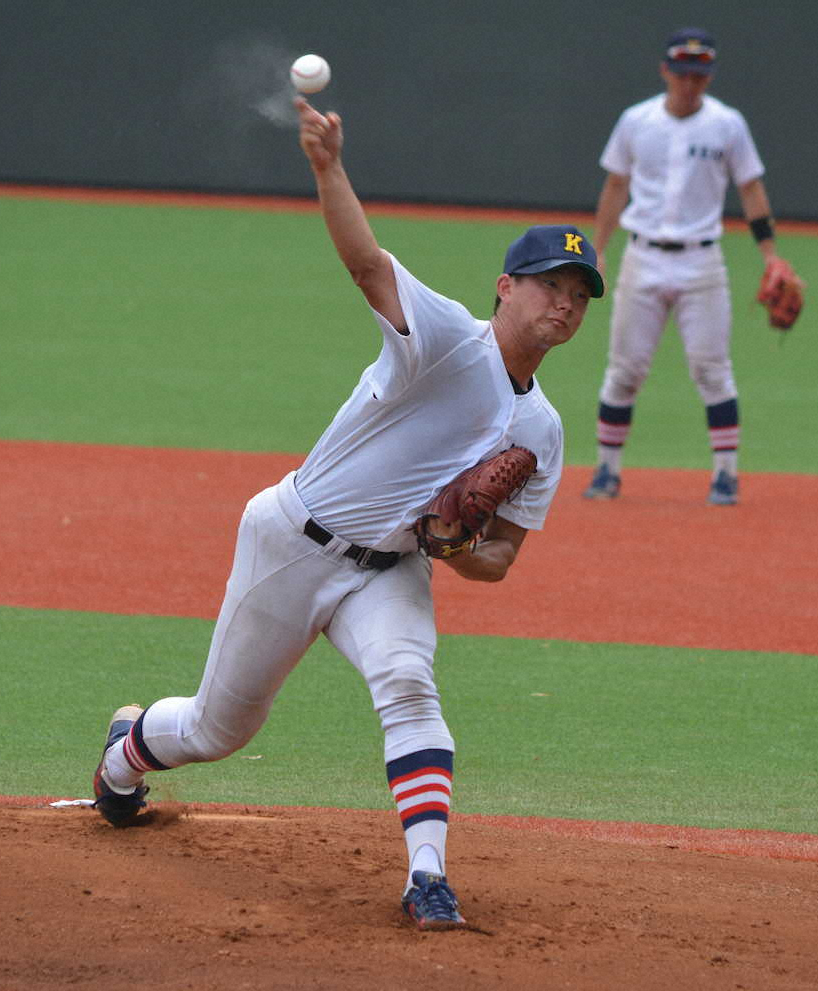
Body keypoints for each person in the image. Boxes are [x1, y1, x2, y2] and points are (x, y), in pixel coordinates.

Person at [90, 95, 603, 930]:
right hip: (294, 540)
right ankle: (126, 754)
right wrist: (328, 168)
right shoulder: (445, 338)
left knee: (409, 683)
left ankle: (428, 876)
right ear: (507, 287)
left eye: (580, 294)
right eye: (552, 284)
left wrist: (454, 546)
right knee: (219, 728)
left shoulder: (542, 430)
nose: (566, 303)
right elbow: (367, 265)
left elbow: (501, 558)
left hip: (390, 570)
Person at [584, 27, 790, 506]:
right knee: (624, 371)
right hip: (642, 257)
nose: (690, 83)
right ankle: (607, 470)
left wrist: (770, 254)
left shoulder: (727, 124)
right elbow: (615, 185)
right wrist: (598, 249)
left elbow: (751, 188)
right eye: (682, 73)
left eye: (699, 75)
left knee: (712, 370)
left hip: (702, 263)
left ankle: (725, 475)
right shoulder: (636, 121)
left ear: (709, 75)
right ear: (665, 71)